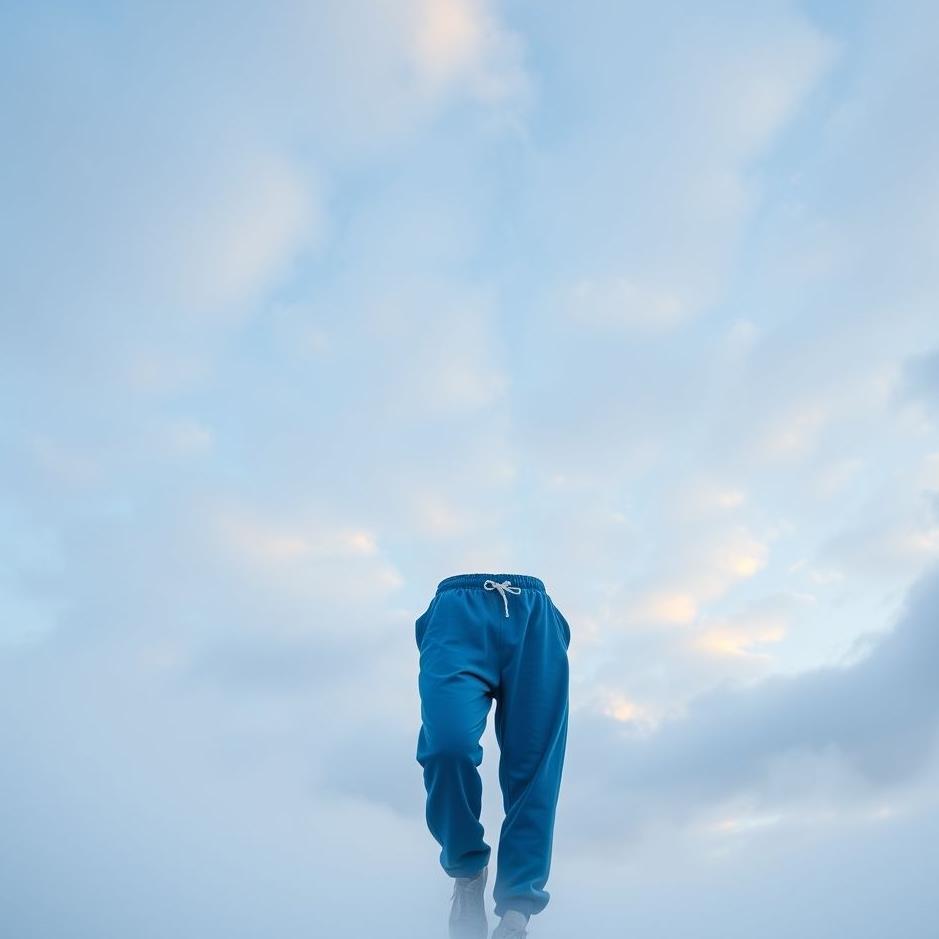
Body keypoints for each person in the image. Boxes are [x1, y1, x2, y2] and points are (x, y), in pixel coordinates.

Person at [415, 573, 571, 939]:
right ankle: (466, 869)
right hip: (455, 613)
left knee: (535, 771)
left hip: (534, 616)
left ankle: (518, 908)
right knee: (446, 747)